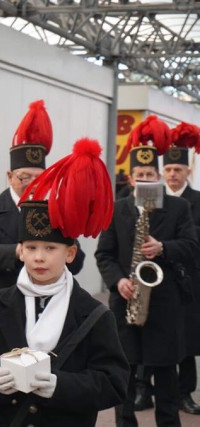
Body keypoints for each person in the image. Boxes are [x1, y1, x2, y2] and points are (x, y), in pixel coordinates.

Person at [0, 138, 129, 426]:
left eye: (50, 249)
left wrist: (60, 386)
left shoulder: (93, 313)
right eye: (30, 248)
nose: (39, 258)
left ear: (70, 253)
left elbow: (113, 383)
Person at [0, 100, 84, 426]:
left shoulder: (55, 211)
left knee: (39, 404)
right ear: (9, 175)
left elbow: (78, 260)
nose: (30, 183)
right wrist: (22, 252)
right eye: (23, 176)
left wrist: (67, 227)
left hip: (46, 316)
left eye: (38, 177)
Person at [96, 115, 198, 427]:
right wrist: (118, 281)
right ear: (130, 178)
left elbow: (192, 247)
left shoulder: (178, 208)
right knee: (124, 372)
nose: (144, 180)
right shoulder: (116, 208)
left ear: (159, 177)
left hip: (164, 304)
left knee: (166, 374)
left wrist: (163, 247)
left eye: (150, 174)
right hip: (125, 302)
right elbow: (104, 254)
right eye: (139, 174)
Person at [133, 121, 200, 415]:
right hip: (150, 279)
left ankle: (185, 393)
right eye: (169, 170)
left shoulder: (195, 201)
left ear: (188, 172)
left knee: (184, 340)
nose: (173, 175)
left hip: (186, 280)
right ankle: (143, 391)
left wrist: (168, 246)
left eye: (178, 170)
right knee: (147, 338)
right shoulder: (139, 200)